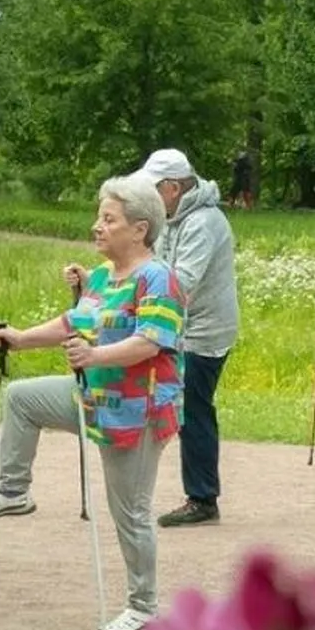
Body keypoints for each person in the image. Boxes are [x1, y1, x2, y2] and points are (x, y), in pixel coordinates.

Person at [0, 174, 186, 630]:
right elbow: (74, 322)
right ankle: (14, 491)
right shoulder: (103, 275)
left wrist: (96, 355)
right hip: (91, 394)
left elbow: (152, 341)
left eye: (109, 218)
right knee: (20, 398)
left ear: (139, 229)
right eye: (99, 216)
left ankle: (144, 607)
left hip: (137, 410)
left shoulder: (158, 277)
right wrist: (20, 340)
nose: (97, 226)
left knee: (131, 511)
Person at [125, 149, 241, 529]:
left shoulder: (204, 222)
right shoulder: (172, 218)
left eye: (152, 189)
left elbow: (182, 282)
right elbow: (150, 267)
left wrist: (136, 293)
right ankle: (198, 494)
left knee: (192, 410)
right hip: (178, 328)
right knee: (185, 408)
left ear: (173, 188)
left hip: (203, 333)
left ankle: (203, 498)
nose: (147, 199)